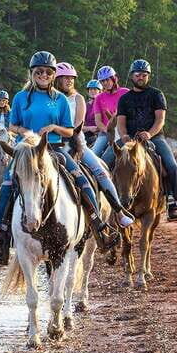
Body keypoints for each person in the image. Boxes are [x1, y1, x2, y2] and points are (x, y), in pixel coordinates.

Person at [0, 51, 118, 264]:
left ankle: (99, 225)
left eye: (47, 72)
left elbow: (69, 131)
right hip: (26, 150)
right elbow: (11, 125)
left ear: (53, 75)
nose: (43, 75)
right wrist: (26, 133)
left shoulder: (61, 100)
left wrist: (54, 127)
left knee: (82, 179)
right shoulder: (20, 98)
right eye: (39, 71)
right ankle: (2, 236)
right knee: (7, 185)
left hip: (56, 148)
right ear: (32, 73)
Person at [54, 61, 135, 228]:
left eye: (72, 78)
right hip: (53, 146)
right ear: (56, 80)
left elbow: (76, 126)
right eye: (65, 78)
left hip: (77, 145)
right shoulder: (49, 99)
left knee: (99, 169)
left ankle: (118, 212)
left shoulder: (78, 99)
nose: (69, 81)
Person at [115, 59, 177, 222]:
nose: (141, 77)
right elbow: (120, 122)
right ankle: (106, 202)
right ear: (131, 76)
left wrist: (150, 134)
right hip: (129, 140)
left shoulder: (156, 95)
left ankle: (173, 203)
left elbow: (160, 120)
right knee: (105, 161)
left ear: (148, 77)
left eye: (144, 75)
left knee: (172, 166)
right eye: (138, 74)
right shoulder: (124, 99)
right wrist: (124, 136)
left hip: (154, 137)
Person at [91, 65, 130, 159]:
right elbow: (98, 121)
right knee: (94, 154)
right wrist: (107, 131)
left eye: (107, 79)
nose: (105, 83)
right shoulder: (99, 98)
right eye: (102, 81)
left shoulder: (126, 92)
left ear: (114, 78)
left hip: (125, 130)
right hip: (106, 132)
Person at [83, 80, 101, 146]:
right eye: (90, 89)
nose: (92, 91)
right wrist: (90, 128)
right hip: (87, 134)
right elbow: (79, 126)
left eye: (95, 89)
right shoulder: (85, 106)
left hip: (101, 133)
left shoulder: (102, 105)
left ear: (100, 91)